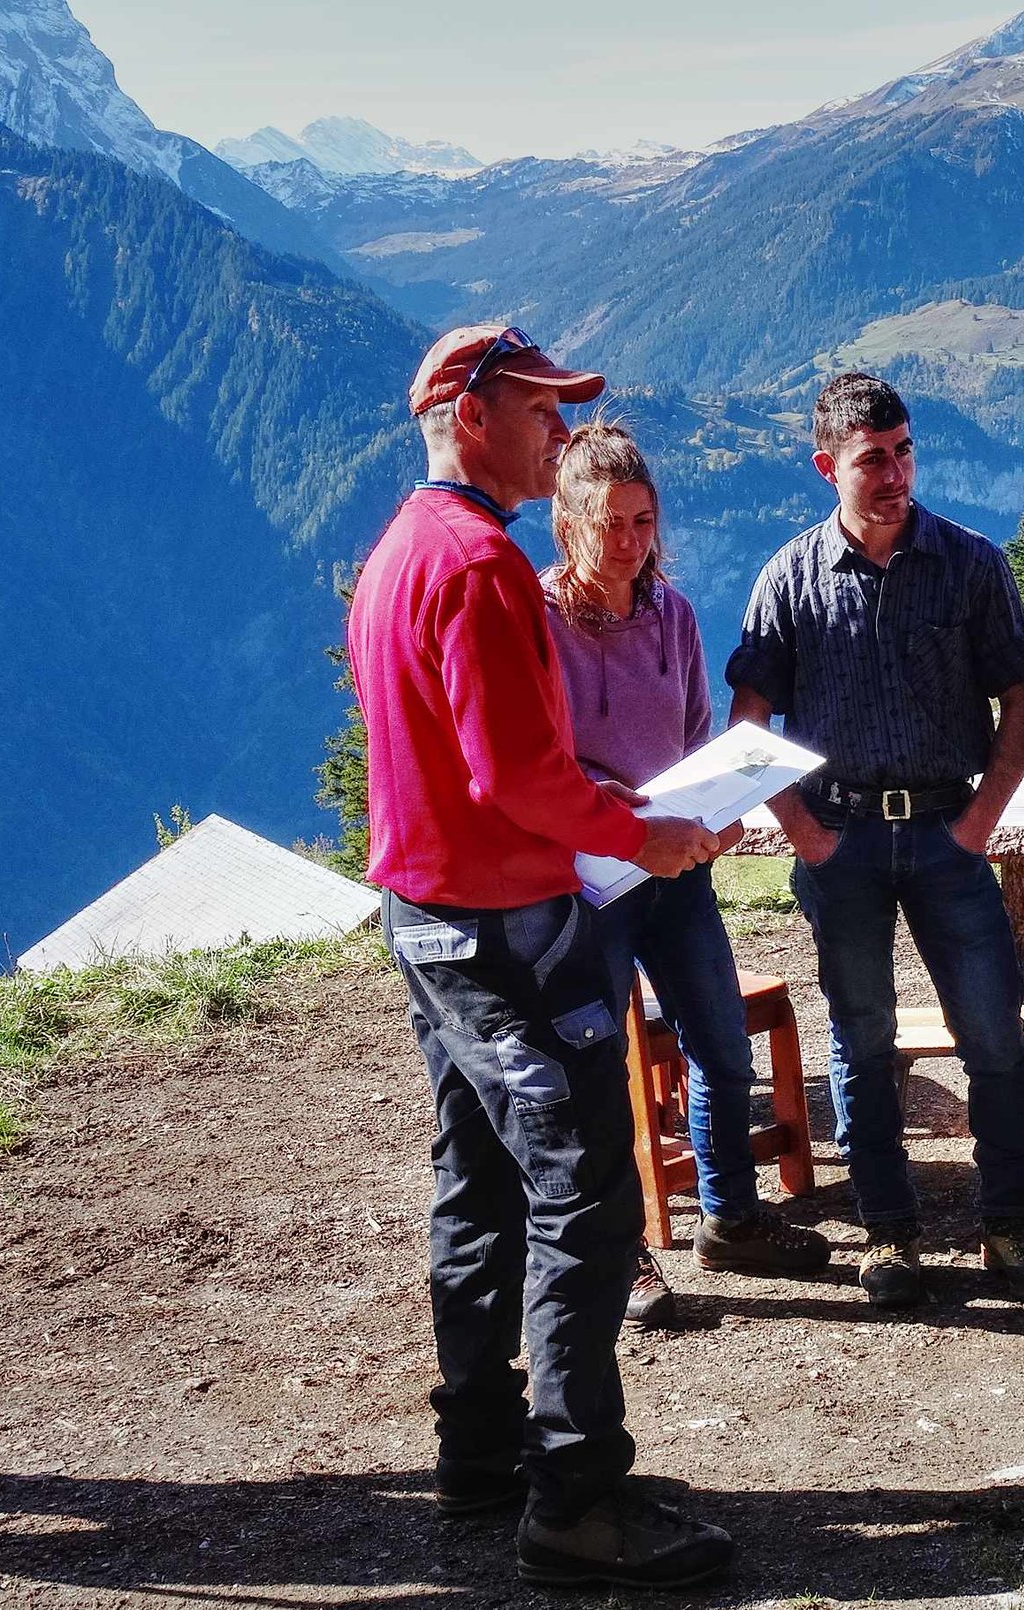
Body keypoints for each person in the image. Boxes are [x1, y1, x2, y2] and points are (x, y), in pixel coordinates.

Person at [348, 325, 733, 1588]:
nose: (557, 430)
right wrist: (648, 835)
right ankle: (574, 1494)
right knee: (584, 1189)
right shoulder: (480, 566)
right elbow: (516, 775)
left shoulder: (398, 552)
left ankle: (477, 1447)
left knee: (475, 1174)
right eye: (537, 408)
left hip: (426, 921)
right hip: (510, 924)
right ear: (467, 413)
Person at [726, 371, 1024, 1308]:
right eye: (873, 459)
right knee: (862, 1039)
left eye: (905, 451)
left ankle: (1010, 1226)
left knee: (994, 1033)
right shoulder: (788, 576)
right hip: (843, 841)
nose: (895, 474)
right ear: (825, 464)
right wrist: (801, 830)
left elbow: (1022, 695)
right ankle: (889, 1237)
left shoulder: (969, 562)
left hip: (950, 833)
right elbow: (749, 717)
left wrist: (982, 817)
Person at [541, 421, 831, 1297]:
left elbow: (698, 733)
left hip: (681, 869)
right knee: (594, 1067)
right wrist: (617, 815)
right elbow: (544, 760)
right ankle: (620, 1255)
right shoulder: (540, 622)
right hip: (595, 876)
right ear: (569, 525)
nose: (629, 544)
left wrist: (724, 809)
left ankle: (730, 1217)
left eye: (642, 522)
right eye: (610, 525)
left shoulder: (668, 612)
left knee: (719, 1042)